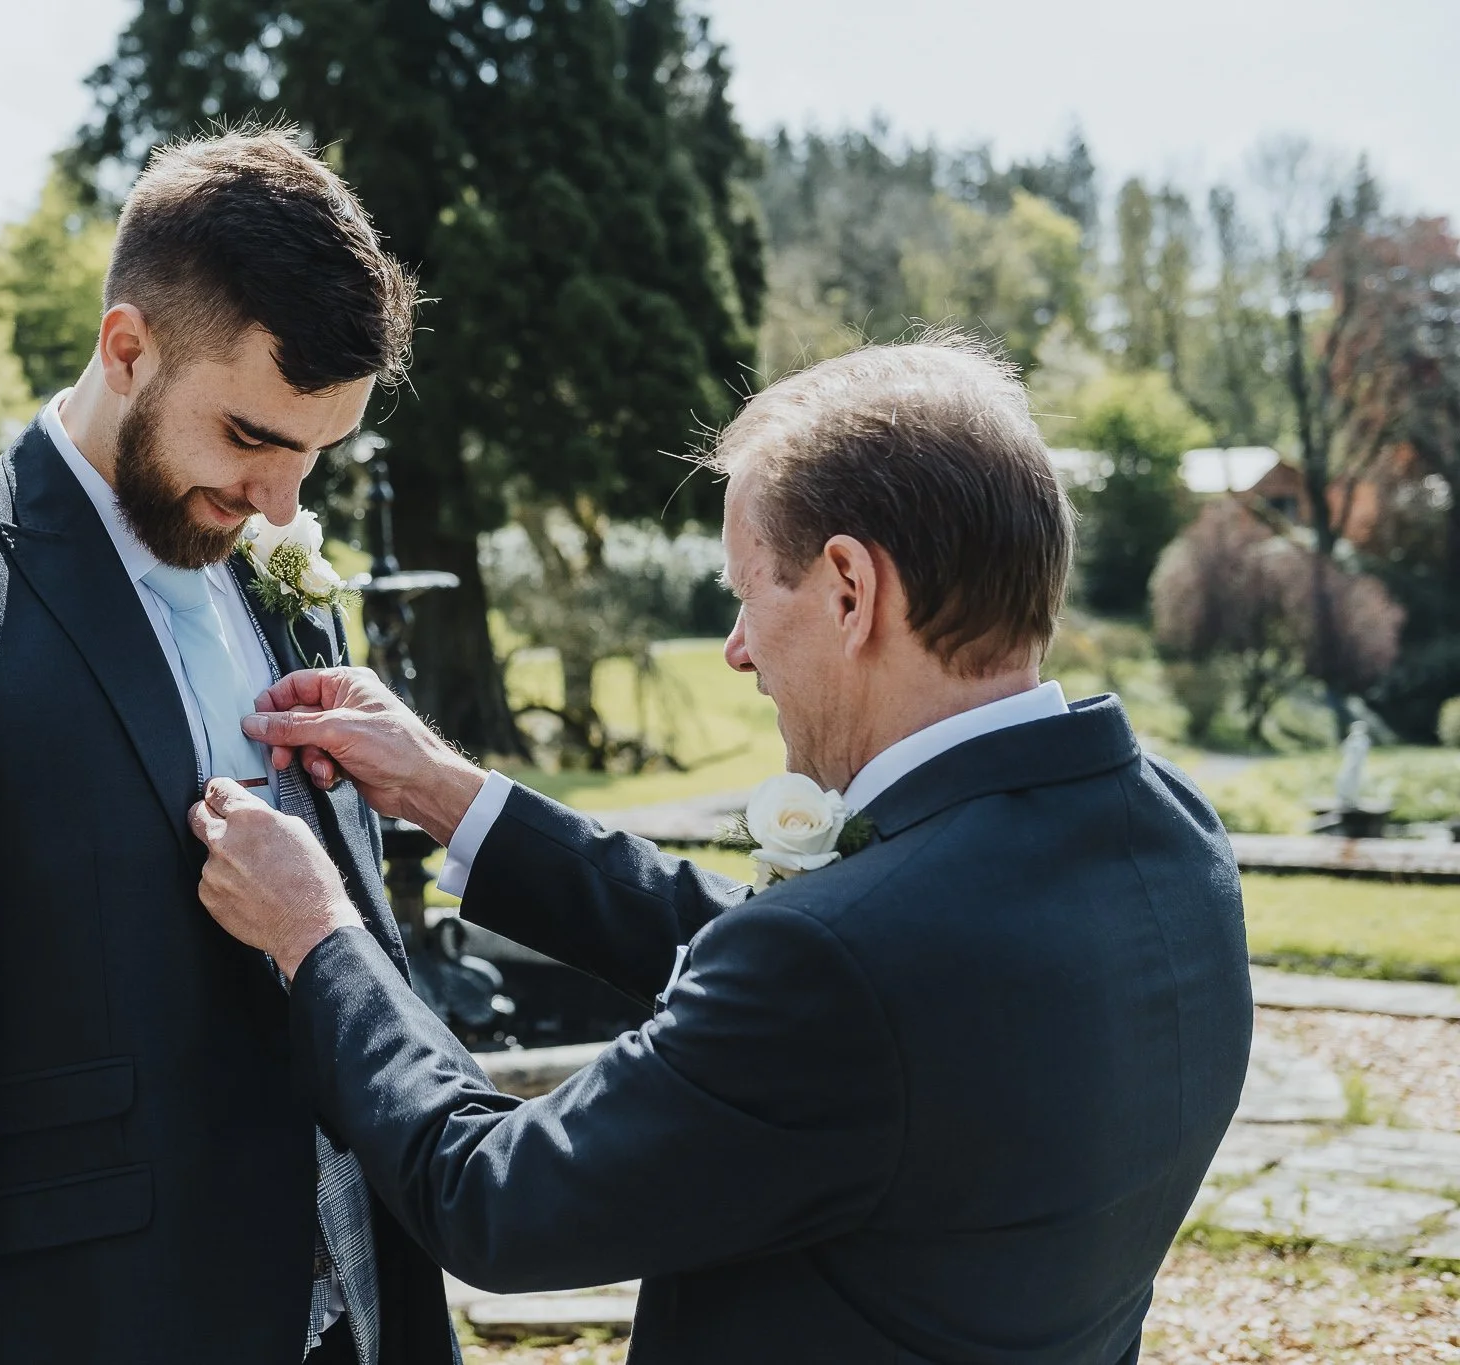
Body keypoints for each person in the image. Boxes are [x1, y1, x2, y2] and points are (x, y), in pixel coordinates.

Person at [190, 340, 1254, 1363]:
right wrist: (447, 794)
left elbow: (493, 1200)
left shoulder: (846, 970)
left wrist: (318, 934)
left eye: (746, 597)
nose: (738, 650)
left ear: (850, 589)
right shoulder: (1168, 835)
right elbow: (836, 983)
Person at [0, 130, 457, 1364]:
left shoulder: (288, 586)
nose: (278, 503)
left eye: (311, 456)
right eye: (247, 437)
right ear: (127, 348)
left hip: (368, 1312)